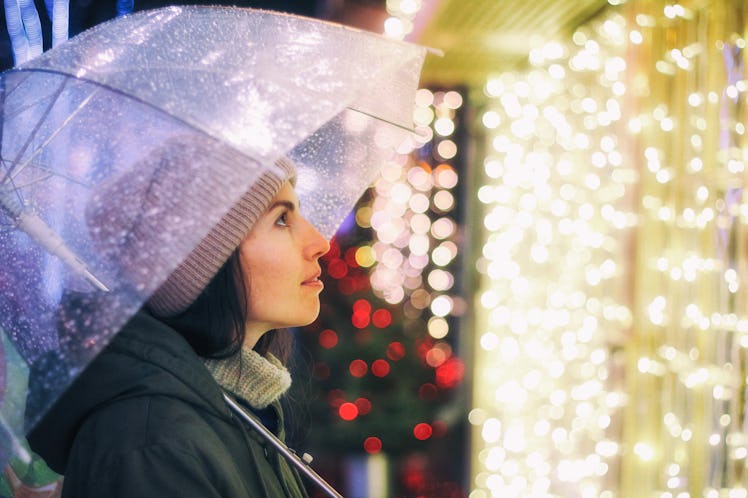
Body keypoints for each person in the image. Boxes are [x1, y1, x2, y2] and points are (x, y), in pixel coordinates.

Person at [26, 134, 330, 497]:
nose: (320, 243)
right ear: (204, 262)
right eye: (281, 219)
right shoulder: (153, 445)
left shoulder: (240, 409)